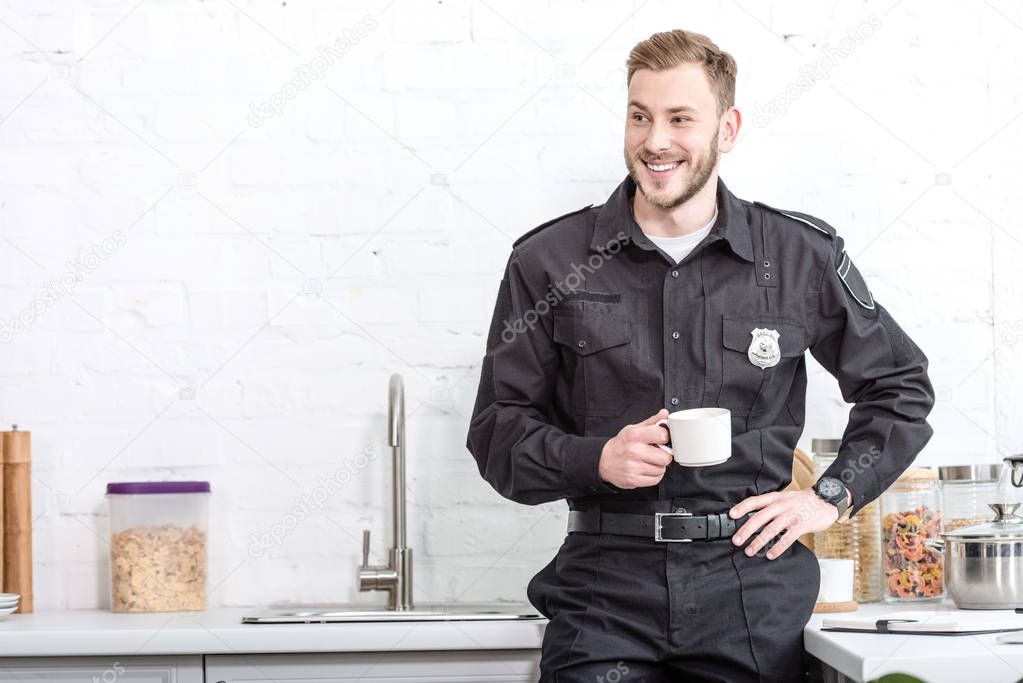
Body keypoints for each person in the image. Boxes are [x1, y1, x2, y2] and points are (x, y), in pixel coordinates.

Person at [466, 28, 935, 682]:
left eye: (679, 118)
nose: (655, 140)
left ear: (727, 127)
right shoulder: (549, 261)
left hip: (751, 593)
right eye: (639, 116)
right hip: (604, 592)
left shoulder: (798, 255)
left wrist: (827, 496)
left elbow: (898, 386)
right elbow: (496, 432)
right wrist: (594, 457)